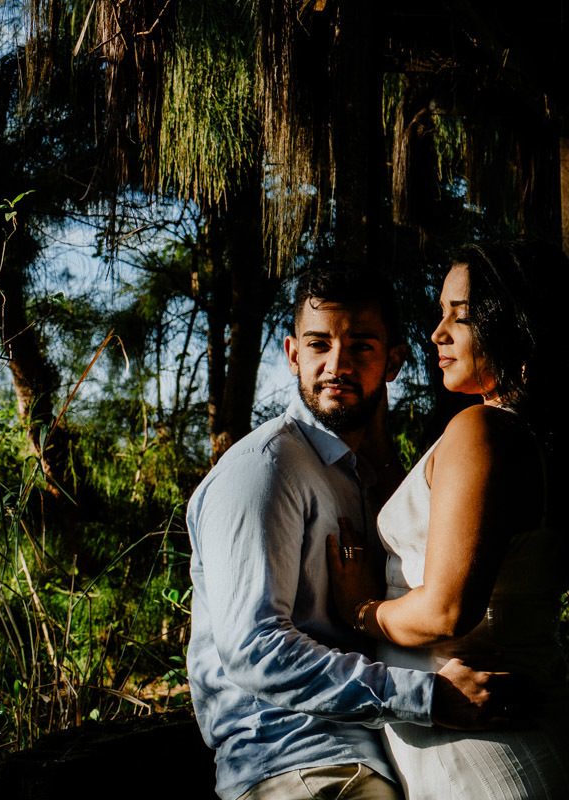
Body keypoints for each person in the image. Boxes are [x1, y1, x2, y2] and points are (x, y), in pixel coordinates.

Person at [188, 265, 505, 800]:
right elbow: (254, 650)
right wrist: (427, 696)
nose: (336, 366)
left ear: (393, 362)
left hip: (363, 757)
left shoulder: (357, 474)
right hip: (298, 767)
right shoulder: (264, 469)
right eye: (318, 345)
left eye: (360, 348)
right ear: (292, 354)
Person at [329, 241, 569, 800]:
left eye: (459, 317)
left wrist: (359, 610)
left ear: (516, 325)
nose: (437, 333)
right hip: (522, 722)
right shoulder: (544, 444)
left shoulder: (482, 431)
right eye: (442, 314)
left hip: (480, 745)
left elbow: (446, 609)